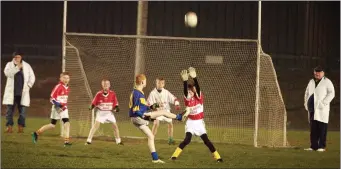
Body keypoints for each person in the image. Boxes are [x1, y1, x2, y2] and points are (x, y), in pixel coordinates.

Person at [129, 74, 189, 164]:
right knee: (163, 112)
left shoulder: (138, 92)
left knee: (151, 136)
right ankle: (179, 117)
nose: (146, 82)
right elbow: (135, 109)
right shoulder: (137, 93)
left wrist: (155, 105)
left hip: (136, 118)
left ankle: (155, 159)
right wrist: (145, 116)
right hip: (138, 117)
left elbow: (145, 107)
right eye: (145, 81)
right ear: (142, 82)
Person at [170, 67, 223, 162]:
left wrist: (195, 78)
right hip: (190, 123)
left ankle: (218, 157)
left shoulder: (199, 97)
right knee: (187, 140)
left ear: (194, 91)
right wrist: (185, 81)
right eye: (189, 90)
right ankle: (174, 156)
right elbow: (185, 92)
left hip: (199, 123)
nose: (190, 92)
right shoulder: (187, 100)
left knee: (206, 141)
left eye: (191, 90)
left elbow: (198, 90)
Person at [31, 72, 72, 147]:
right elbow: (51, 99)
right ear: (60, 78)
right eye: (64, 78)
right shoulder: (58, 86)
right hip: (57, 108)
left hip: (64, 108)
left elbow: (64, 100)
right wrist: (58, 104)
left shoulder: (68, 88)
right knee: (52, 125)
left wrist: (63, 105)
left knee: (66, 123)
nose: (66, 79)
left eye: (67, 78)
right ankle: (36, 133)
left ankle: (66, 142)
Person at [304, 66, 335, 152]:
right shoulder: (311, 81)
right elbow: (307, 93)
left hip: (321, 109)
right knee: (313, 128)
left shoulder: (327, 82)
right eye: (315, 72)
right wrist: (306, 103)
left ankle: (321, 147)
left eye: (319, 72)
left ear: (323, 73)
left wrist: (323, 103)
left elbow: (331, 94)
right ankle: (313, 146)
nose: (317, 74)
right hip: (312, 108)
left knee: (322, 128)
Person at [3, 52, 36, 133]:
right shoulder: (9, 65)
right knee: (9, 111)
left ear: (21, 58)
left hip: (22, 93)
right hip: (12, 93)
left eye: (19, 57)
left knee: (23, 112)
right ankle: (9, 127)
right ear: (13, 57)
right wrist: (17, 67)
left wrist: (28, 85)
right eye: (16, 57)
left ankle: (20, 127)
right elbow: (7, 73)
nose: (17, 58)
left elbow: (32, 76)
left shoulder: (27, 65)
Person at [85, 79, 123, 145]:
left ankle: (118, 141)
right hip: (101, 113)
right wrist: (91, 107)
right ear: (102, 85)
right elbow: (94, 103)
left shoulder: (112, 93)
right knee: (95, 126)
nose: (106, 86)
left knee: (115, 126)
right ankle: (88, 140)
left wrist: (116, 108)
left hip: (109, 113)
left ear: (109, 85)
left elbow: (115, 104)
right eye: (104, 84)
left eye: (107, 84)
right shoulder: (99, 94)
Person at [147, 77, 180, 145]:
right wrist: (156, 106)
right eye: (158, 82)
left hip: (166, 111)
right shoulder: (153, 93)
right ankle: (151, 139)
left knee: (170, 124)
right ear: (156, 83)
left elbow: (174, 98)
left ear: (164, 84)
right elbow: (149, 104)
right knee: (156, 123)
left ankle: (170, 140)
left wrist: (176, 104)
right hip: (158, 112)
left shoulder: (166, 92)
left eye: (162, 83)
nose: (160, 84)